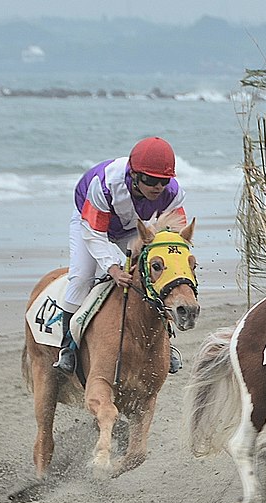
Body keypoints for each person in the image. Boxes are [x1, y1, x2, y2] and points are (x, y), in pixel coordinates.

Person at [53, 136, 188, 375]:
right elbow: (95, 233)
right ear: (134, 175)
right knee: (83, 277)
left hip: (134, 227)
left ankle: (168, 342)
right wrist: (113, 269)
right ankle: (68, 347)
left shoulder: (172, 194)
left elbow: (172, 236)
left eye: (164, 181)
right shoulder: (105, 184)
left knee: (154, 278)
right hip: (91, 223)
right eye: (150, 180)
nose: (158, 187)